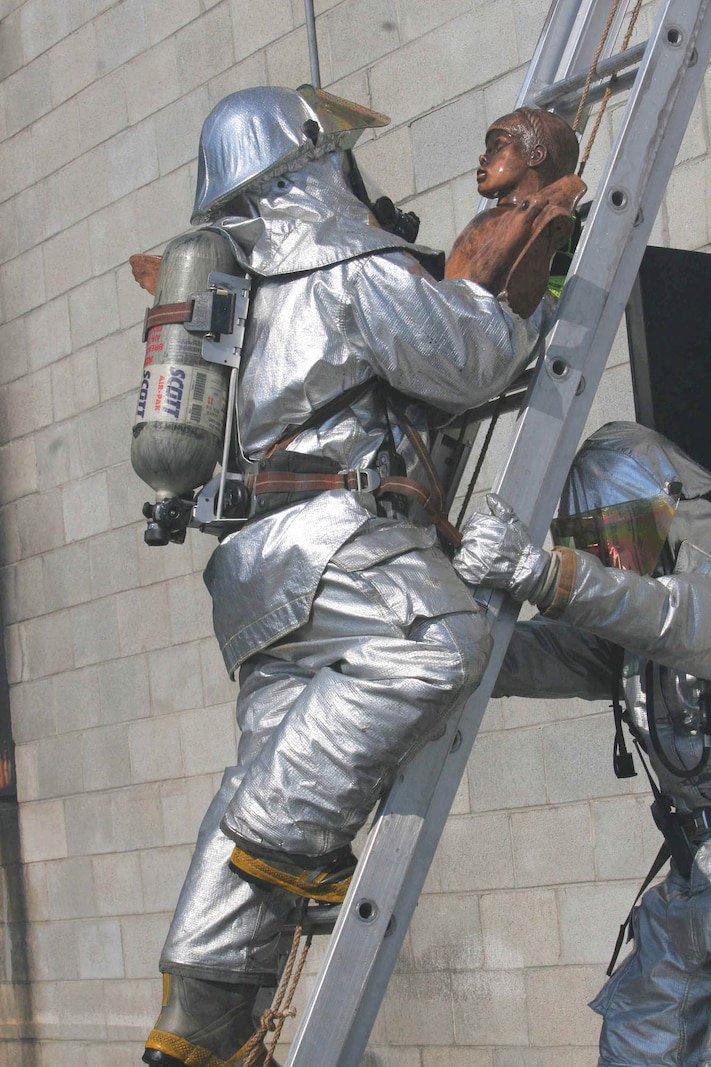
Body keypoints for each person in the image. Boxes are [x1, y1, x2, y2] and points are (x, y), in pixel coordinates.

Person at [138, 85, 560, 1067]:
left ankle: (199, 1014)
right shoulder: (340, 261)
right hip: (333, 543)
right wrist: (518, 310)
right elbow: (465, 360)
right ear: (304, 163)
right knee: (439, 640)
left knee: (272, 759)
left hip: (257, 580)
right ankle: (293, 848)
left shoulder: (239, 294)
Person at [453, 420, 711, 1067]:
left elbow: (672, 617)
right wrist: (446, 637)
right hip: (697, 878)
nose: (612, 557)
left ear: (666, 509)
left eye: (620, 537)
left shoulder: (688, 594)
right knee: (639, 1037)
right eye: (592, 547)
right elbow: (545, 653)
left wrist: (547, 575)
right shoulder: (631, 631)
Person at [445, 106, 586, 317]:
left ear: (536, 155)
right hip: (458, 314)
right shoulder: (487, 220)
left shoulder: (503, 219)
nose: (483, 157)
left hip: (492, 318)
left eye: (497, 146)